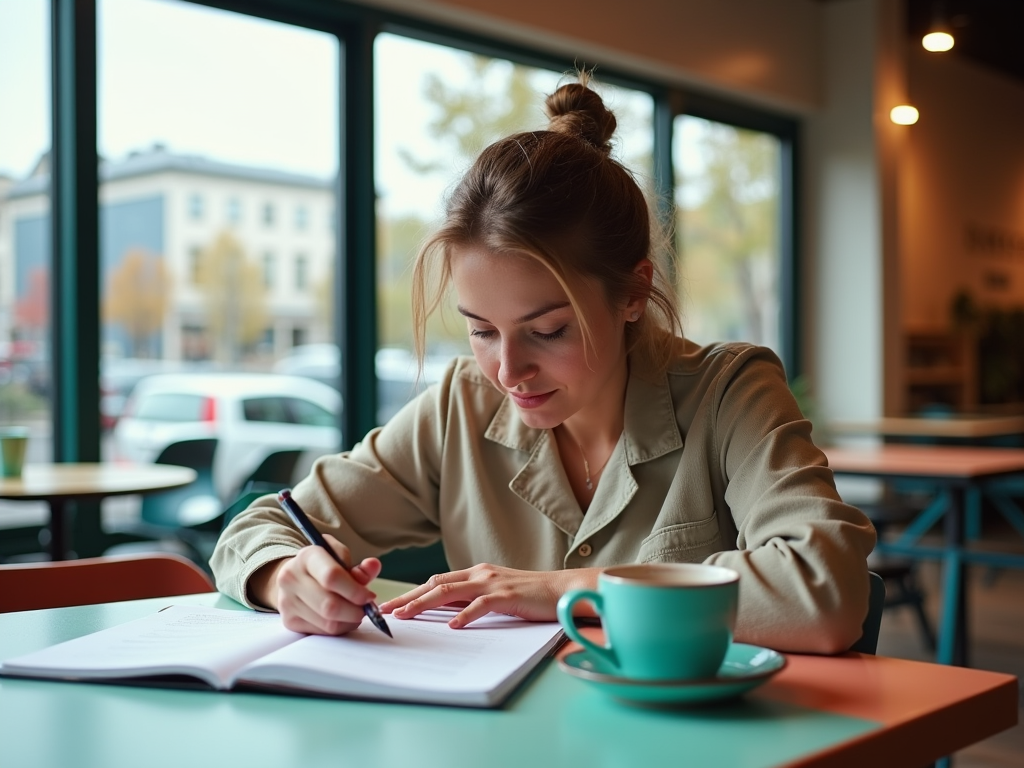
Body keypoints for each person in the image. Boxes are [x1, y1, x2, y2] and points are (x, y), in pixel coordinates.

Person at [211, 75, 875, 654]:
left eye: (548, 330)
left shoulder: (730, 392)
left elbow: (826, 588)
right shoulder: (462, 405)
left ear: (634, 293)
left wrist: (562, 592)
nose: (506, 372)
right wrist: (285, 576)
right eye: (481, 331)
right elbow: (263, 523)